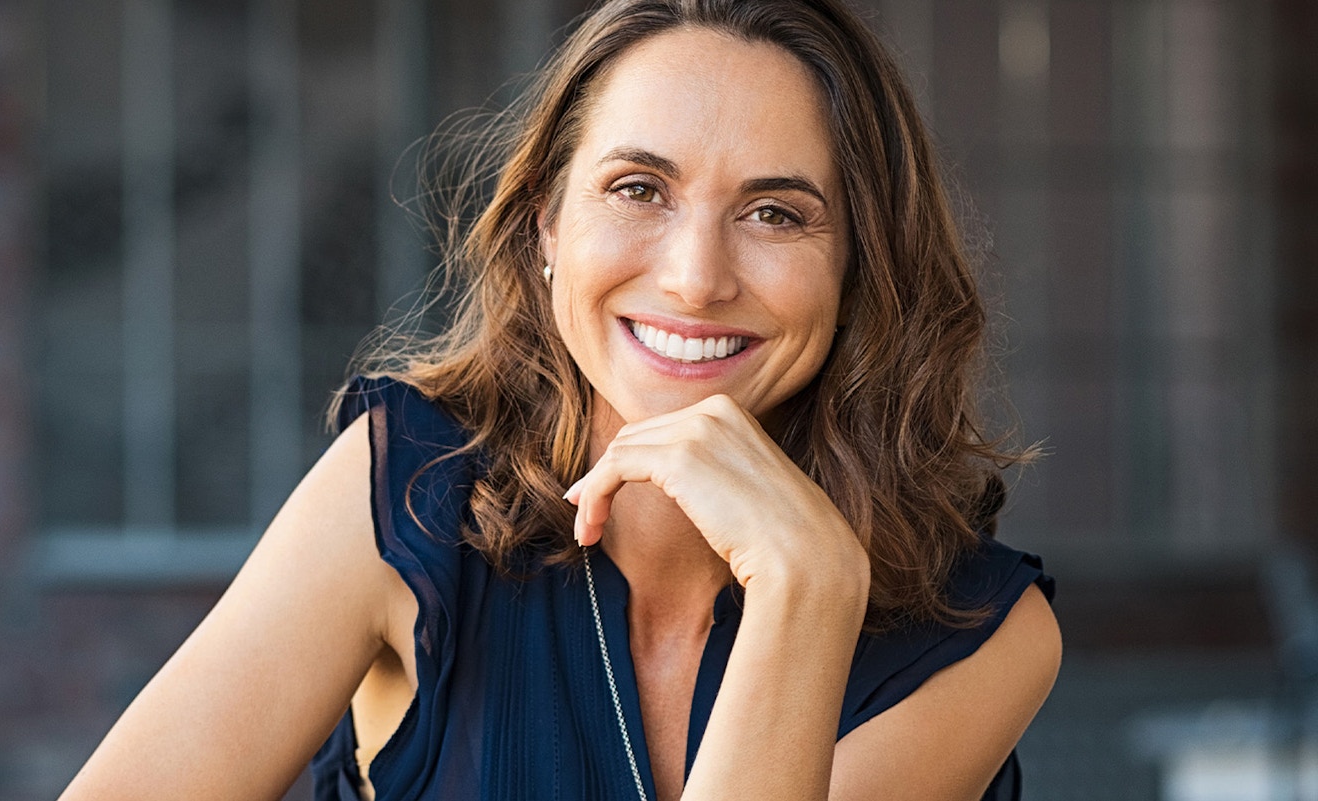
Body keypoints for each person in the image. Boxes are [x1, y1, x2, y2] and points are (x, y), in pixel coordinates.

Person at [61, 0, 1061, 798]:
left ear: (858, 269)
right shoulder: (404, 490)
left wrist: (807, 595)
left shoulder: (982, 630)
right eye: (638, 190)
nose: (694, 278)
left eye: (773, 213)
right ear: (545, 229)